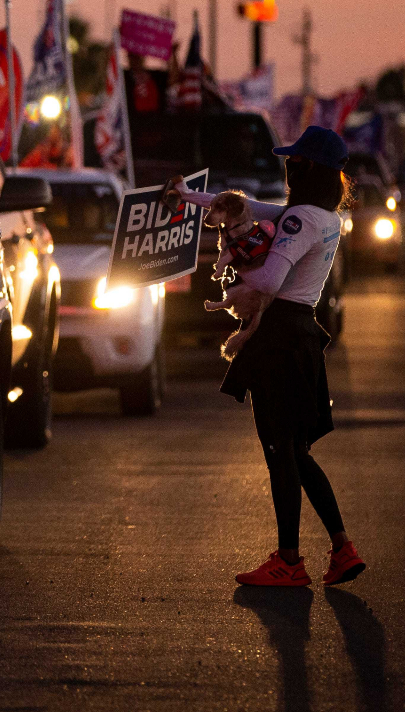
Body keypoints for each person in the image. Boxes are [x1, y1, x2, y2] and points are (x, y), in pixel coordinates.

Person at [167, 125, 366, 587]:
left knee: (279, 449)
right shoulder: (322, 217)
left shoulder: (298, 221)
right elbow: (243, 206)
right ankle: (341, 548)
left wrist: (229, 287)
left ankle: (290, 562)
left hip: (280, 336)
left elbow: (272, 281)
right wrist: (186, 197)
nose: (287, 166)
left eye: (294, 160)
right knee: (296, 450)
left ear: (308, 167)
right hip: (300, 334)